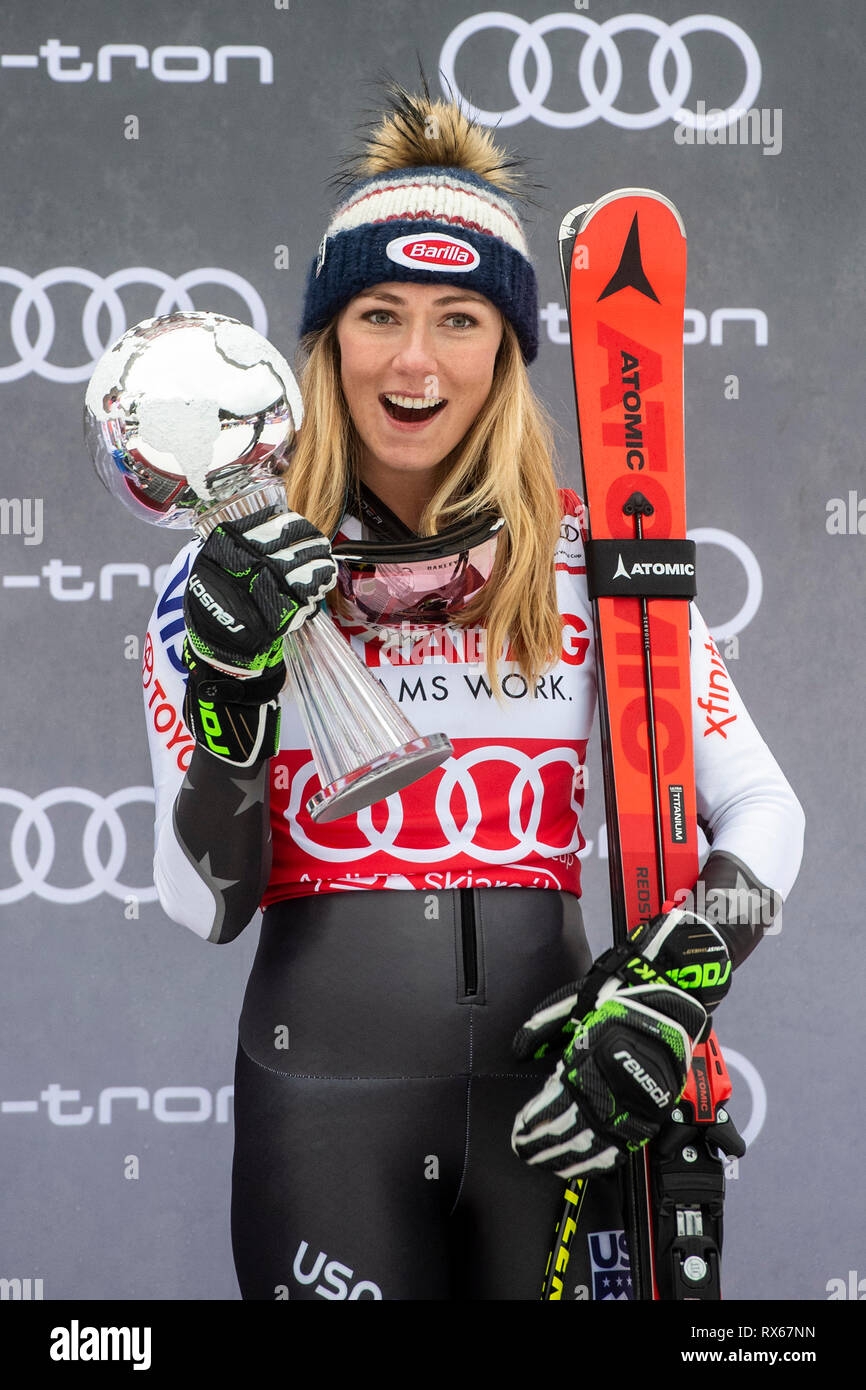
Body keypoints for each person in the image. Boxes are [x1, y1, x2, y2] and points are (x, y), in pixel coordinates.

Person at [144, 80, 804, 1301]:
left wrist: (674, 982)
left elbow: (766, 811)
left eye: (458, 318)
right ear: (324, 341)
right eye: (377, 311)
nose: (412, 358)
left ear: (504, 350)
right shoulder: (222, 576)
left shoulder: (586, 561)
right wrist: (231, 700)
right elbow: (198, 907)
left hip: (559, 1103)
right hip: (325, 1117)